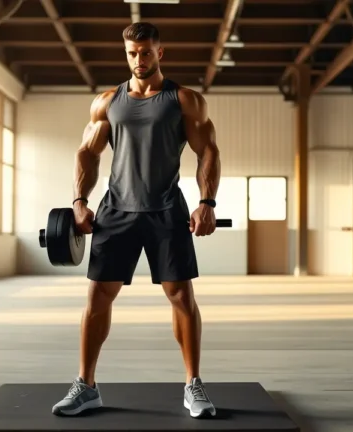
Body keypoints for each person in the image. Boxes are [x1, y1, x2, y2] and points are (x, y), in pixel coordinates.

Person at [51, 22, 221, 418]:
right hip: (116, 211)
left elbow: (207, 151)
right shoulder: (107, 102)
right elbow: (87, 153)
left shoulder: (185, 100)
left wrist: (207, 202)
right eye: (132, 53)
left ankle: (193, 385)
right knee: (97, 298)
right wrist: (79, 201)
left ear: (160, 53)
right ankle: (86, 385)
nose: (139, 60)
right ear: (125, 53)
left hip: (166, 210)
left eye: (146, 52)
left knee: (181, 297)